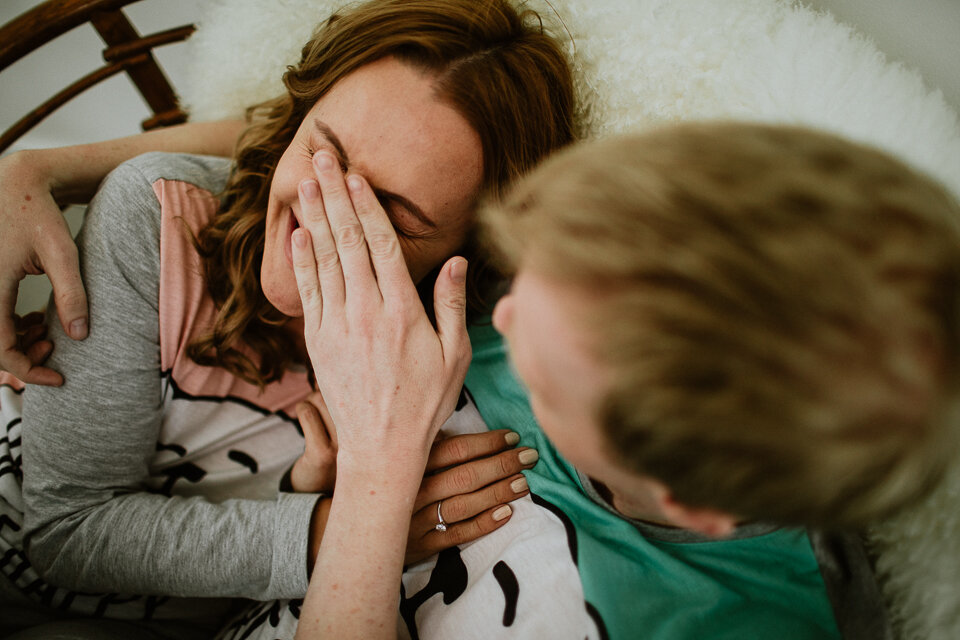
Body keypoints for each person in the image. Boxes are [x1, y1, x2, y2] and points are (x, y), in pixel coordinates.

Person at [0, 0, 575, 637]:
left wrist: (311, 498)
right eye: (323, 156)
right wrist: (338, 526)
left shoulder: (451, 361)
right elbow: (65, 531)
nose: (315, 211)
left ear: (468, 249)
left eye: (391, 213)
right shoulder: (156, 220)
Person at [283, 121, 960, 639]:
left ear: (689, 500)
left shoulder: (744, 620)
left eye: (541, 376)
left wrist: (376, 470)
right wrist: (317, 496)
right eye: (530, 276)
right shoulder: (563, 303)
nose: (506, 319)